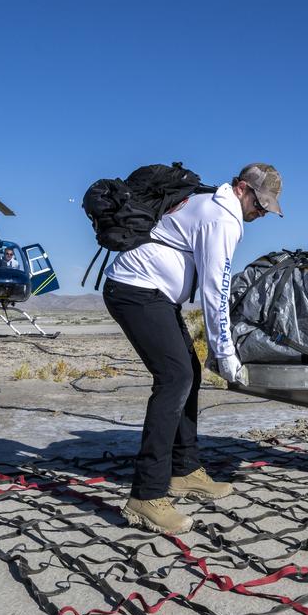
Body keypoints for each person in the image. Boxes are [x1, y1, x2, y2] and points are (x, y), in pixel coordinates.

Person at [105, 164, 283, 534]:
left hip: (154, 294)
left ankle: (183, 470)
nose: (261, 213)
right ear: (241, 189)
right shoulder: (222, 219)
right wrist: (226, 352)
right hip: (136, 290)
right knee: (174, 378)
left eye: (267, 208)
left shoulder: (210, 205)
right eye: (260, 204)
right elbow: (215, 292)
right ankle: (147, 494)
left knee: (189, 372)